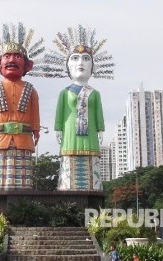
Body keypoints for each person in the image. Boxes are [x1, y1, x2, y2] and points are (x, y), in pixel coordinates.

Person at [45, 25, 114, 190]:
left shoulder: (94, 93)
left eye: (86, 58)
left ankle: (93, 187)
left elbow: (98, 113)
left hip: (90, 133)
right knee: (69, 160)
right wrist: (58, 129)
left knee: (91, 164)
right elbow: (60, 113)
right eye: (75, 58)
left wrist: (100, 129)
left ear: (92, 66)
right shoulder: (65, 92)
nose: (80, 62)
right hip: (69, 133)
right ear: (68, 65)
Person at [0, 23, 46, 190]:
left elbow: (35, 112)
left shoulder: (30, 90)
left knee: (23, 178)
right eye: (7, 56)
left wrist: (36, 130)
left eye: (17, 56)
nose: (11, 60)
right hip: (1, 137)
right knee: (0, 178)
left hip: (23, 137)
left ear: (27, 65)